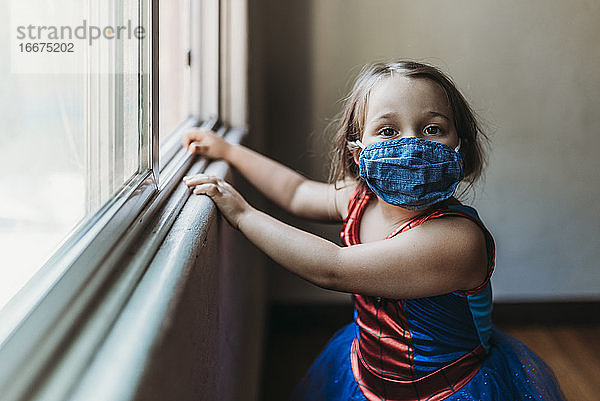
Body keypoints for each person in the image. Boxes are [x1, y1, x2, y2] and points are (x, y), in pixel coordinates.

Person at [182, 61, 566, 401]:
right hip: (368, 374)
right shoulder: (360, 198)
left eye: (433, 128)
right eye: (388, 130)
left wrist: (243, 215)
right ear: (357, 152)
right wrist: (230, 153)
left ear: (459, 149)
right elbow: (296, 192)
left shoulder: (458, 240)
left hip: (445, 389)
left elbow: (331, 267)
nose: (411, 144)